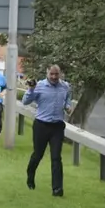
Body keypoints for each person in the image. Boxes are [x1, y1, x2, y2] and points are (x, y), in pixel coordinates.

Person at [23, 65, 72, 197]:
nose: (54, 77)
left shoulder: (65, 86)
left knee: (56, 157)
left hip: (57, 126)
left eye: (57, 74)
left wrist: (68, 106)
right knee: (38, 154)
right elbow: (25, 101)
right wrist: (31, 89)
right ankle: (30, 175)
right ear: (47, 73)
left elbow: (68, 98)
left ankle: (57, 189)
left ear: (60, 74)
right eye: (52, 74)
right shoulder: (39, 86)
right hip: (41, 125)